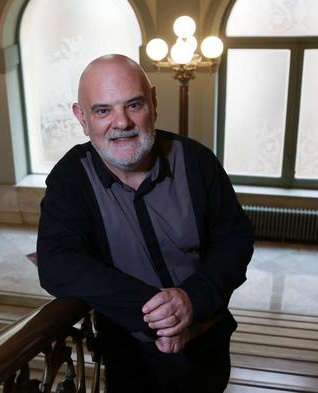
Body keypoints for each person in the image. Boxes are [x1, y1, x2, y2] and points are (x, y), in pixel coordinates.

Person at [37, 54, 254, 393]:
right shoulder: (70, 178)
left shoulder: (196, 160)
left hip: (206, 338)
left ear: (153, 101)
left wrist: (192, 300)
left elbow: (235, 240)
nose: (121, 122)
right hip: (128, 352)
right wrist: (163, 315)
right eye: (102, 110)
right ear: (81, 117)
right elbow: (57, 264)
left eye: (133, 105)